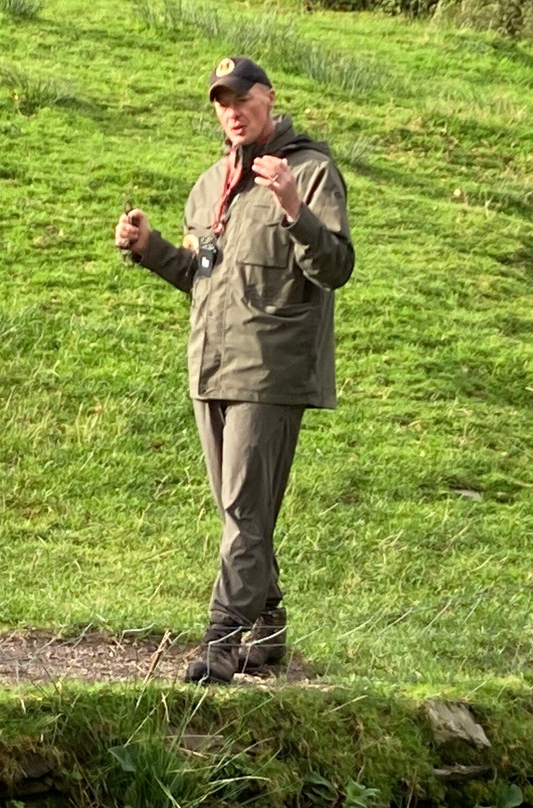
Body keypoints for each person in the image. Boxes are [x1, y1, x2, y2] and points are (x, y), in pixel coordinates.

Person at [114, 56, 354, 683]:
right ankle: (268, 631)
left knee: (245, 511)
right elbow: (202, 275)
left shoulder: (310, 171)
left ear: (269, 99)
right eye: (222, 102)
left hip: (271, 373)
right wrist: (151, 251)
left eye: (242, 98)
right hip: (211, 366)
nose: (232, 111)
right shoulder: (208, 185)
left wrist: (294, 209)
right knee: (239, 512)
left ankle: (222, 641)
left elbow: (335, 269)